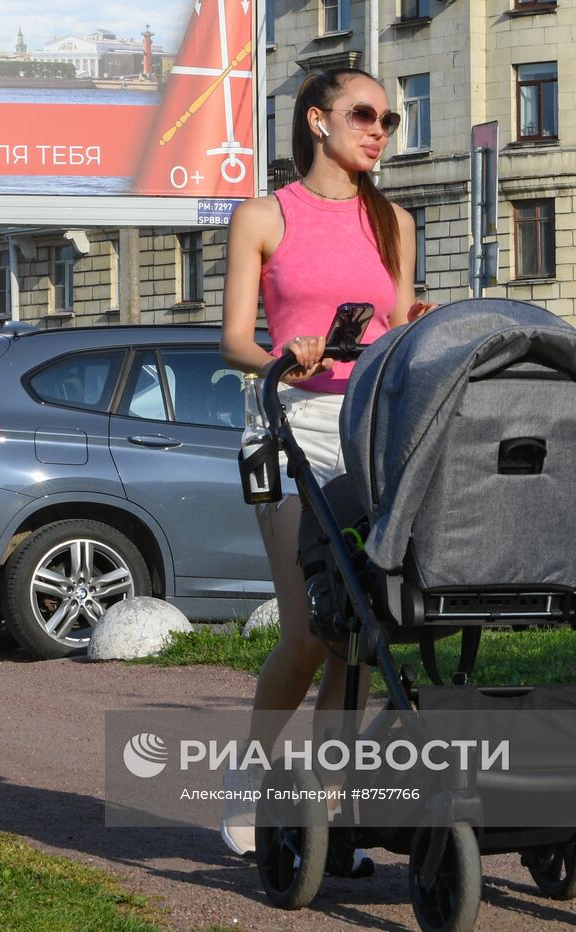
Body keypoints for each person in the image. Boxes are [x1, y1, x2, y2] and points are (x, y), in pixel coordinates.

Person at [218, 67, 435, 861]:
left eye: (389, 120)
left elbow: (397, 327)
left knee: (361, 629)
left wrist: (415, 322)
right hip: (290, 425)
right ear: (317, 120)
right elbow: (235, 339)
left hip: (372, 429)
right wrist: (289, 356)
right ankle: (253, 783)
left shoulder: (396, 222)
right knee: (311, 630)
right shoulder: (264, 216)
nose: (379, 130)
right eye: (364, 114)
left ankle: (332, 810)